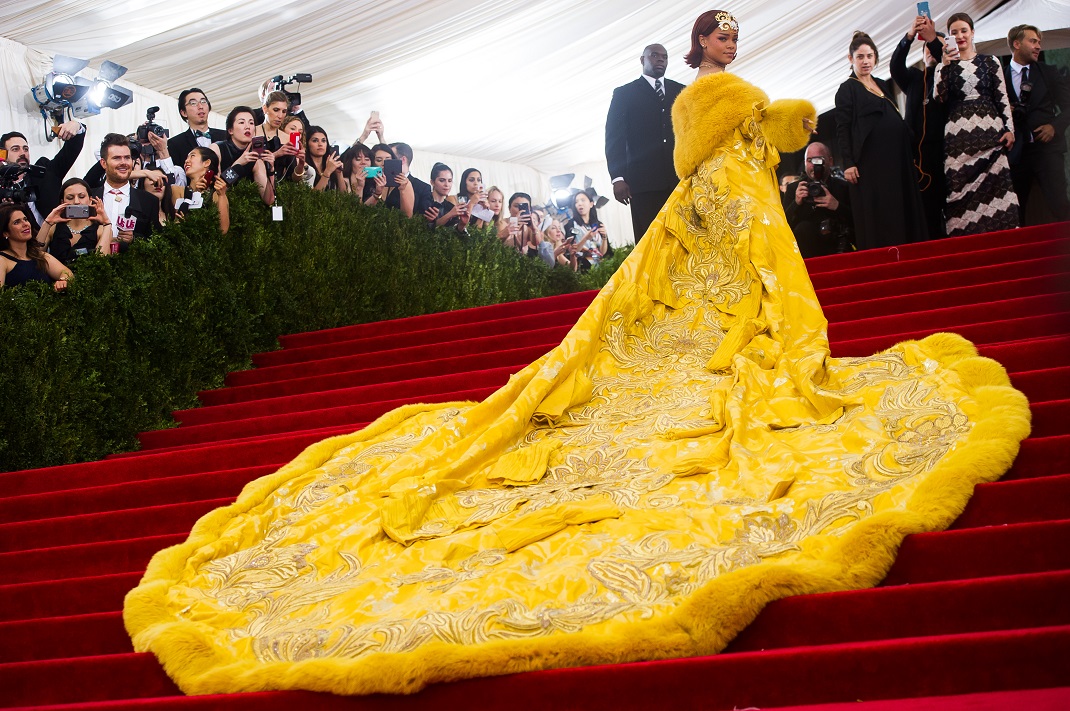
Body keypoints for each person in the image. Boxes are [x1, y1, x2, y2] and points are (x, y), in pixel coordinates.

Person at [125, 9, 1029, 699]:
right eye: (718, 31)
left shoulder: (737, 94)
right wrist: (767, 126)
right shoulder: (696, 97)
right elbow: (705, 149)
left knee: (756, 304)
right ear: (694, 46)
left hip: (747, 199)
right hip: (718, 201)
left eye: (732, 31)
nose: (729, 38)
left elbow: (788, 129)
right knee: (688, 311)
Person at [835, 31, 929, 250]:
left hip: (897, 161)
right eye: (860, 57)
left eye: (869, 56)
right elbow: (843, 128)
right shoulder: (847, 89)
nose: (865, 61)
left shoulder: (881, 84)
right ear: (851, 59)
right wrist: (848, 162)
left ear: (875, 57)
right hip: (871, 165)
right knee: (881, 212)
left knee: (901, 207)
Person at [934, 13, 1018, 237]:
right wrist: (944, 65)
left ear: (972, 32)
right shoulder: (943, 67)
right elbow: (939, 97)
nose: (960, 36)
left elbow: (1002, 97)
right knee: (958, 193)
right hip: (958, 143)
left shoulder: (991, 61)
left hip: (991, 136)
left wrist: (1010, 129)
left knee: (999, 194)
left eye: (963, 30)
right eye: (954, 33)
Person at [606, 43, 685, 244]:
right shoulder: (624, 94)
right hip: (643, 184)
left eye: (664, 57)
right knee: (650, 242)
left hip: (678, 180)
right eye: (654, 55)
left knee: (681, 239)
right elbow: (614, 138)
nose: (660, 60)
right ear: (642, 60)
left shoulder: (681, 91)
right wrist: (618, 178)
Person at [1004, 24, 1070, 224]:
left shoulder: (1048, 72)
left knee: (1060, 205)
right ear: (1017, 44)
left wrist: (1055, 127)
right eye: (1033, 41)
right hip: (1016, 154)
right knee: (1016, 210)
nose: (1038, 46)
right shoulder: (998, 76)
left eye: (1039, 42)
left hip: (1047, 150)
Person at [890, 15, 948, 239]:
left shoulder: (953, 76)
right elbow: (895, 67)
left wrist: (935, 41)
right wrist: (910, 37)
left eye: (935, 48)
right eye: (928, 49)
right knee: (927, 214)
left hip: (946, 153)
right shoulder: (915, 78)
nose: (932, 52)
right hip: (918, 157)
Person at [1, 121, 85, 227]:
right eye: (15, 149)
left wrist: (76, 126)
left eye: (25, 149)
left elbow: (70, 151)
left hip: (57, 238)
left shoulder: (45, 172)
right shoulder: (2, 186)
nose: (23, 153)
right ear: (3, 155)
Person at [90, 133, 161, 253]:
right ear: (103, 163)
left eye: (127, 157)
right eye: (116, 158)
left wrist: (134, 239)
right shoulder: (90, 197)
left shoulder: (148, 201)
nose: (123, 162)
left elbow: (157, 241)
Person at [784, 142, 853, 257]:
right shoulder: (794, 189)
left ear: (830, 161)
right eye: (809, 160)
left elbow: (856, 222)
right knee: (803, 228)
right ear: (804, 163)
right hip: (806, 248)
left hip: (836, 245)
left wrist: (837, 206)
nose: (814, 165)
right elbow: (783, 227)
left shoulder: (842, 187)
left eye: (819, 159)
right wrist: (796, 203)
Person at [38, 178, 113, 264]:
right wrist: (47, 222)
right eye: (70, 198)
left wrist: (107, 224)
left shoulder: (101, 230)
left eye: (81, 196)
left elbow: (102, 262)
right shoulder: (53, 228)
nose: (76, 202)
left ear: (90, 200)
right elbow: (35, 255)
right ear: (62, 202)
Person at [211, 106, 275, 206]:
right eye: (241, 122)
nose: (247, 127)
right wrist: (238, 164)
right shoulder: (217, 148)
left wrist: (271, 170)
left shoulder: (255, 156)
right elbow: (215, 193)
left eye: (251, 123)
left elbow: (269, 200)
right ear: (230, 130)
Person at [0, 204, 71, 289]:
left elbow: (67, 273)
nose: (25, 224)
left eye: (25, 219)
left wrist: (63, 281)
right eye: (17, 222)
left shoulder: (40, 256)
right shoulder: (2, 260)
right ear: (5, 233)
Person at [178, 147, 230, 234]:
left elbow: (222, 230)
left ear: (206, 163)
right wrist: (195, 193)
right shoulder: (178, 191)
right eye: (186, 158)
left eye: (192, 156)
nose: (186, 161)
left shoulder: (217, 194)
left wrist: (222, 195)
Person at [167, 88, 227, 163]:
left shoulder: (225, 137)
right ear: (184, 113)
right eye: (193, 103)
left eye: (203, 101)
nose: (200, 106)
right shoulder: (175, 143)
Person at [564, 190, 609, 271]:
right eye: (576, 202)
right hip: (582, 267)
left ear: (591, 204)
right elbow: (573, 251)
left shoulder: (598, 224)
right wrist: (586, 238)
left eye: (583, 200)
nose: (579, 203)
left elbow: (602, 252)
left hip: (600, 267)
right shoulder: (571, 225)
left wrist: (605, 237)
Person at [388, 143, 435, 219]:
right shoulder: (381, 183)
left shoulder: (422, 187)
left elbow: (423, 218)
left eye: (391, 158)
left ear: (403, 160)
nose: (386, 162)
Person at [305, 126, 345, 192]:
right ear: (307, 143)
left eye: (323, 141)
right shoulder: (304, 166)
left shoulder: (331, 165)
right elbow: (312, 198)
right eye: (315, 141)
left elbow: (345, 197)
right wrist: (327, 172)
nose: (320, 144)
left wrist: (339, 174)